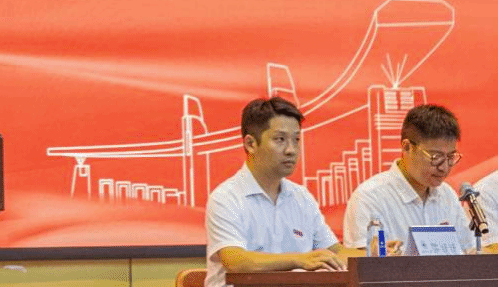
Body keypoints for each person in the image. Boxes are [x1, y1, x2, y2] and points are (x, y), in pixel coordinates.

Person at [205, 97, 354, 287]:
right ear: (251, 144)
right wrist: (300, 260)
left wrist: (379, 255)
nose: (291, 150)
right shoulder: (226, 197)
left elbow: (336, 252)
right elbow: (236, 261)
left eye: (296, 140)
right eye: (280, 139)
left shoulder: (302, 197)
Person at [343, 104, 480, 253]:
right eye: (435, 157)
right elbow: (359, 262)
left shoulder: (447, 195)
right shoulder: (369, 198)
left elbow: (467, 251)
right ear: (407, 147)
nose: (444, 167)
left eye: (451, 157)